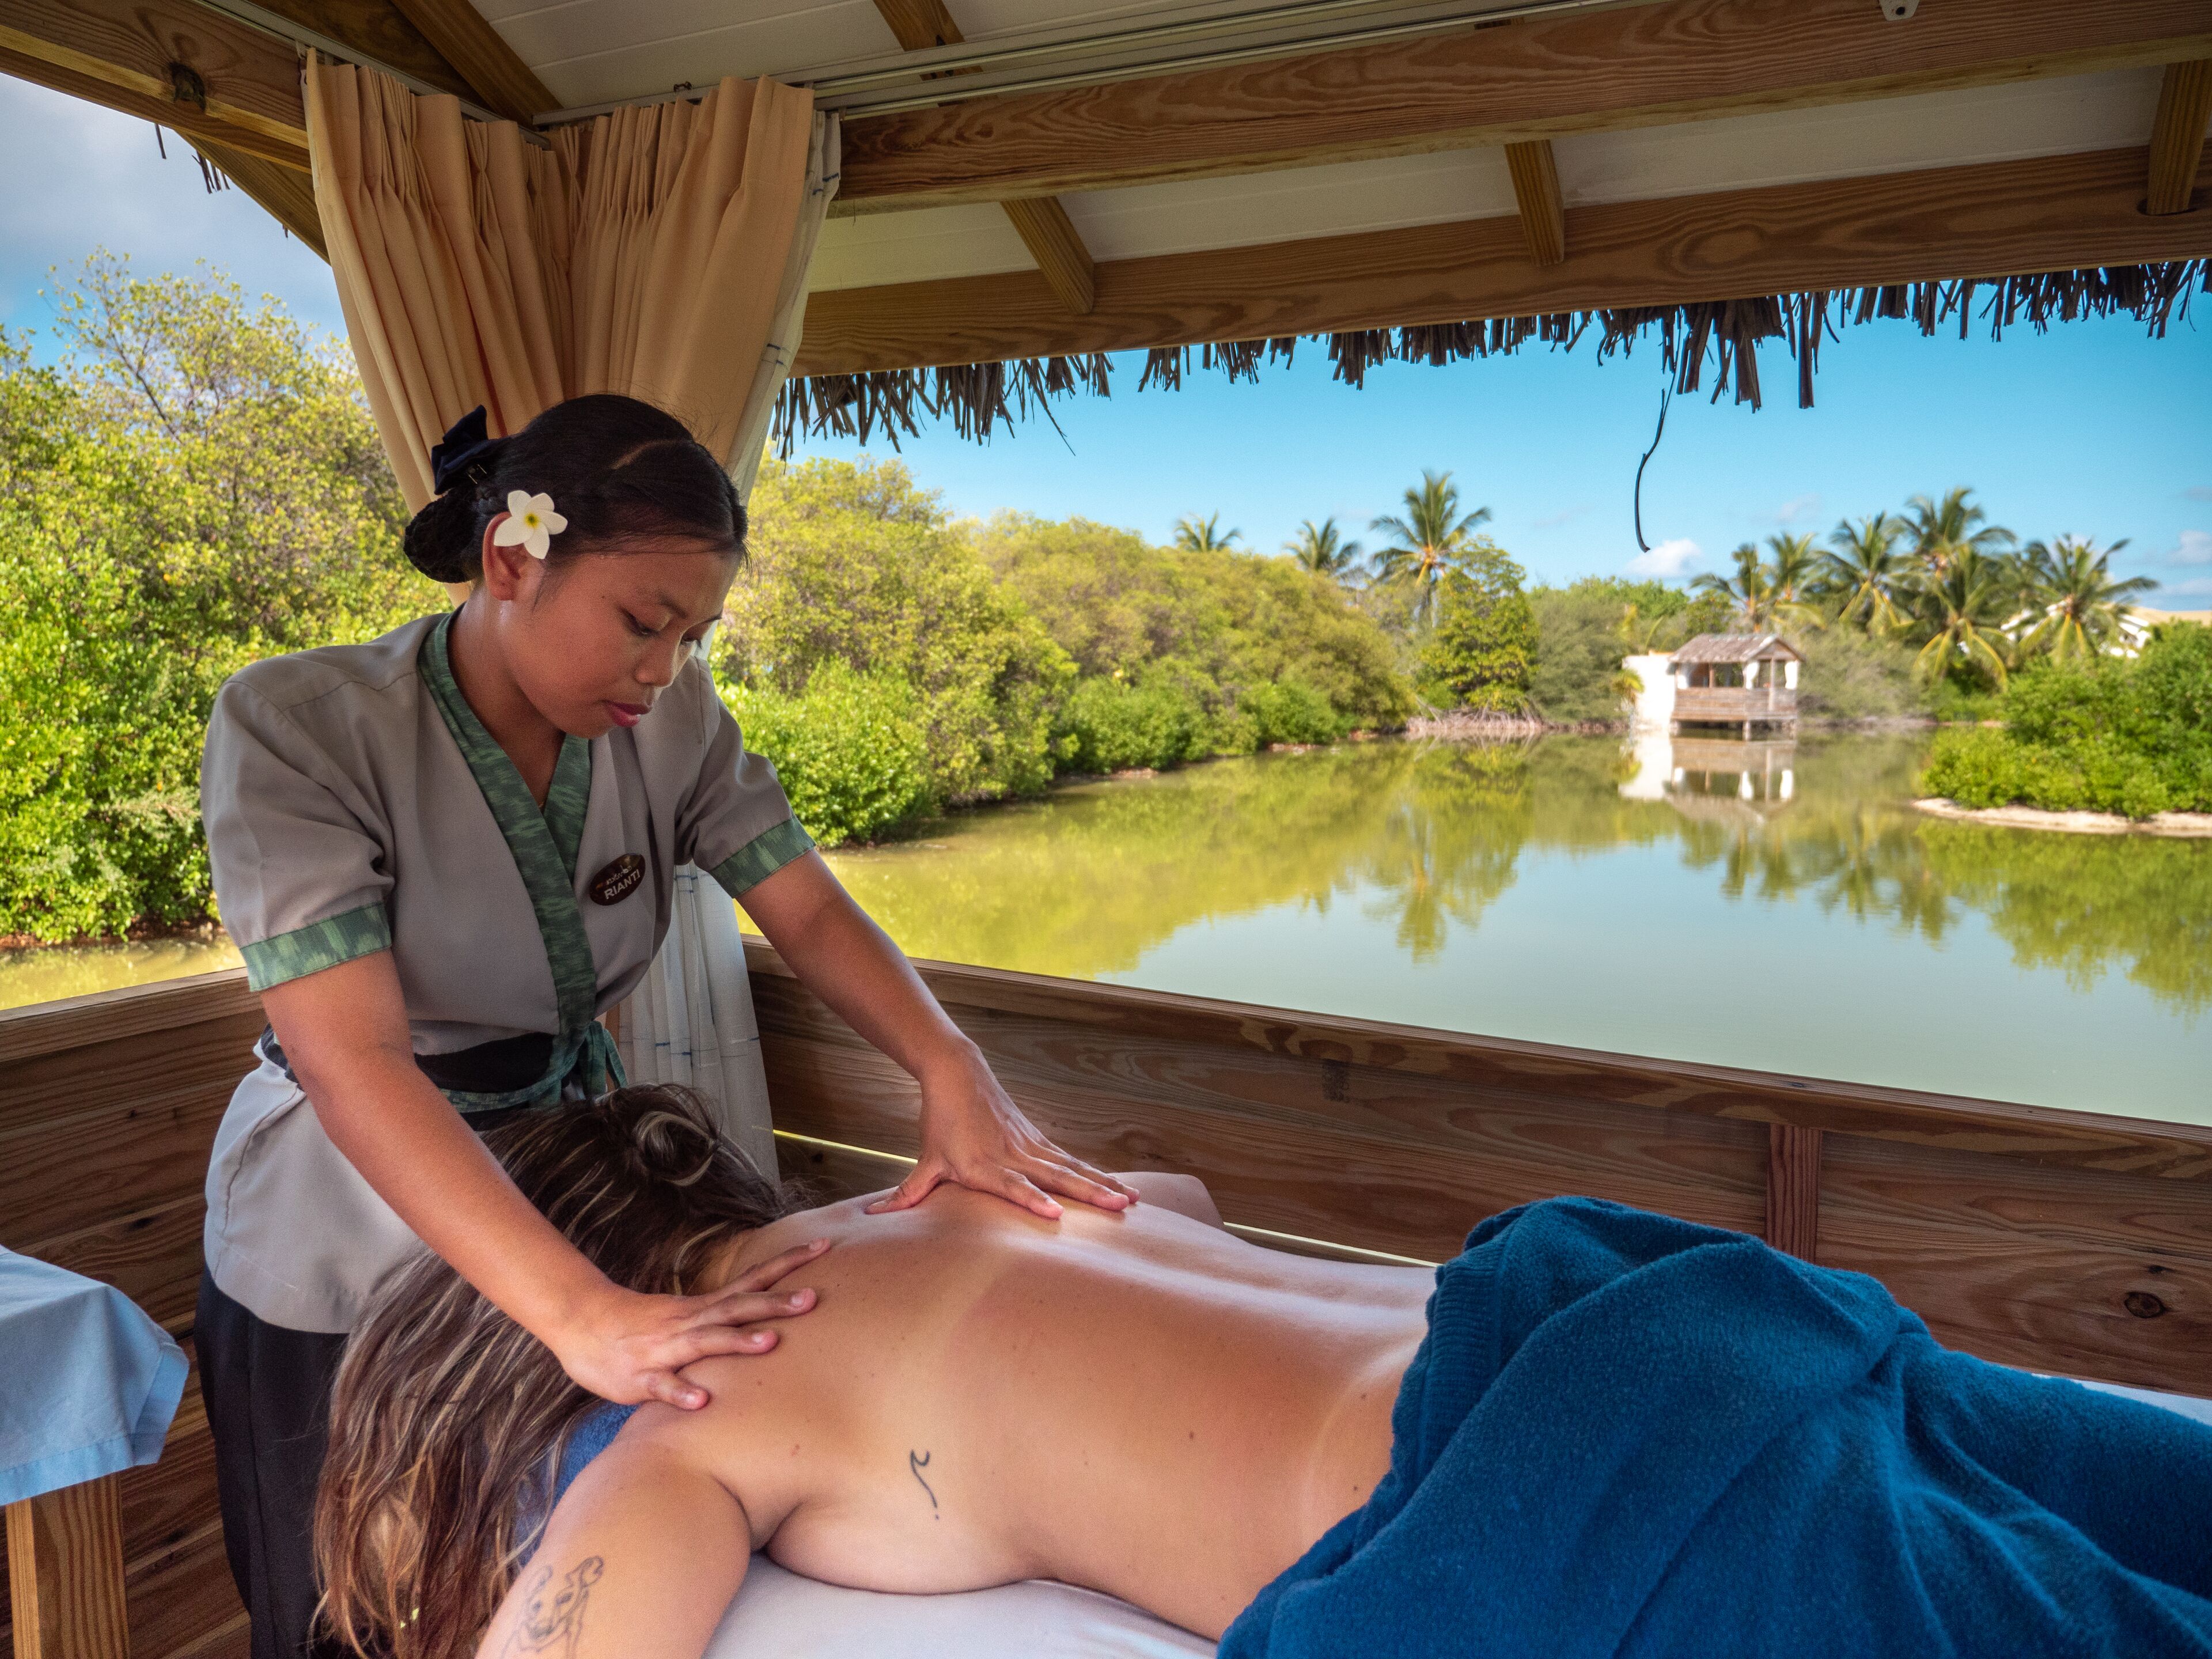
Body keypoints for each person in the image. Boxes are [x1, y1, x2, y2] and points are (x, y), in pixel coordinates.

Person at [195, 395, 1132, 1659]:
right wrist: (579, 1314)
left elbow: (805, 908)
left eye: (694, 635)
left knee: (520, 1565)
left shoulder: (672, 723)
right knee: (335, 1605)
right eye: (643, 624)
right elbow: (349, 1054)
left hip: (576, 1181)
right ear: (511, 562)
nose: (665, 668)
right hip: (345, 1210)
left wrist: (947, 1068)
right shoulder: (301, 724)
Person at [317, 1087, 2212, 1659]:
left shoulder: (683, 1412)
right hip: (1652, 1308)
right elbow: (1189, 1194)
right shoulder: (999, 1201)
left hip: (1567, 1515)